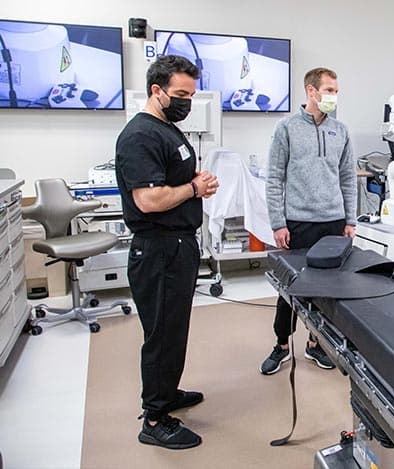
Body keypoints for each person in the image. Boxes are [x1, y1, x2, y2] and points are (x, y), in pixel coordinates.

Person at [115, 55, 219, 450]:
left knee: (174, 330)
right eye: (179, 94)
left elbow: (172, 180)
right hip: (157, 249)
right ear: (156, 91)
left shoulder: (168, 129)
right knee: (160, 335)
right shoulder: (140, 136)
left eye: (191, 95)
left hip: (178, 246)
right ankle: (155, 418)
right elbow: (149, 199)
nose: (187, 102)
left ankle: (168, 392)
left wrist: (196, 182)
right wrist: (195, 189)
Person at [261, 67, 357, 374]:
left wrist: (350, 220)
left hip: (334, 222)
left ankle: (316, 344)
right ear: (311, 91)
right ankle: (281, 344)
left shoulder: (340, 131)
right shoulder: (287, 128)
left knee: (328, 289)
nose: (333, 96)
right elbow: (274, 178)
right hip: (299, 222)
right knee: (291, 287)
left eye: (336, 91)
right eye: (329, 90)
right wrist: (278, 222)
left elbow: (347, 178)